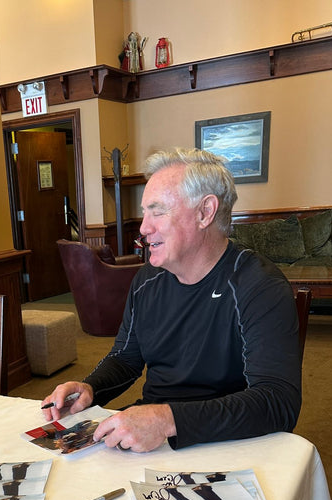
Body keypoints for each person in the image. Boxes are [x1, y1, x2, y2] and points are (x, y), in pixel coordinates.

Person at [42, 147, 301, 452]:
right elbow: (126, 358)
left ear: (205, 212)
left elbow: (278, 401)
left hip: (227, 441)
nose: (143, 227)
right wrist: (91, 387)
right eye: (145, 211)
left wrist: (168, 419)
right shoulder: (146, 280)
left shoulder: (259, 285)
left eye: (158, 210)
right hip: (150, 432)